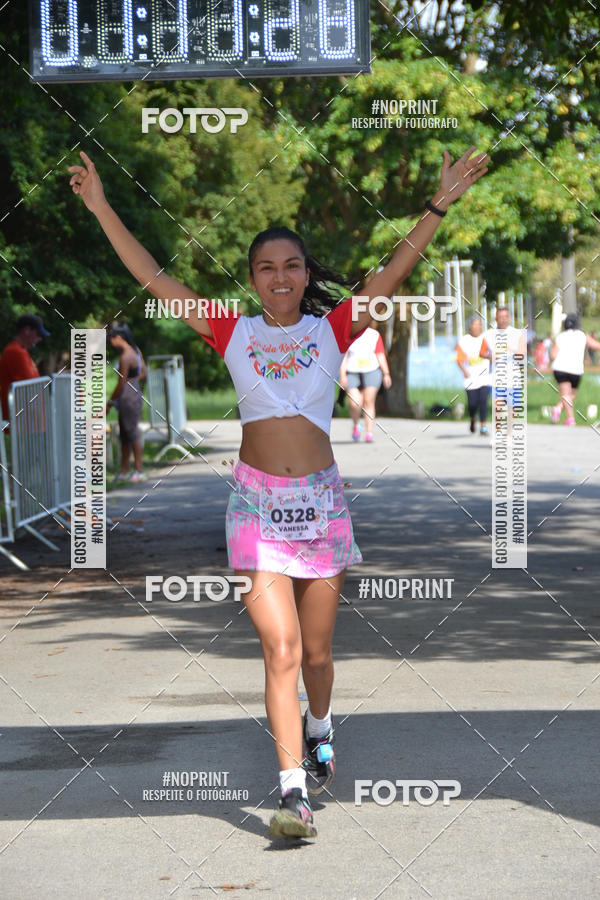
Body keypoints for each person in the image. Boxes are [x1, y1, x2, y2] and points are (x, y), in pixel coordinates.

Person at [68, 145, 489, 839]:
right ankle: (293, 795)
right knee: (282, 650)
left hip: (321, 505)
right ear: (253, 279)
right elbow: (153, 276)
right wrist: (101, 206)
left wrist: (439, 203)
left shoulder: (334, 327)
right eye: (267, 267)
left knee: (317, 655)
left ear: (305, 274)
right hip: (255, 509)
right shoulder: (231, 331)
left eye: (292, 265)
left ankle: (321, 725)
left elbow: (395, 269)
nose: (281, 276)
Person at [106, 322, 147, 481]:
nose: (111, 342)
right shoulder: (136, 352)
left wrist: (109, 402)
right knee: (125, 434)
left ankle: (139, 469)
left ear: (119, 337)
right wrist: (133, 381)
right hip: (134, 394)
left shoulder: (125, 357)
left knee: (132, 433)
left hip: (127, 397)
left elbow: (121, 382)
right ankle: (124, 470)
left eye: (112, 338)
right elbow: (143, 372)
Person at [339, 323, 391, 442]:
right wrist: (342, 375)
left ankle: (369, 432)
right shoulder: (348, 334)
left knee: (368, 401)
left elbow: (380, 355)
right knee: (355, 402)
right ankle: (356, 425)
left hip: (372, 370)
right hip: (352, 371)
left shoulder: (374, 335)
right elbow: (343, 356)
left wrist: (386, 373)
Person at [481, 307, 527, 434]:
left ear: (510, 318)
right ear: (496, 318)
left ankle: (508, 434)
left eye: (506, 317)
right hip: (496, 377)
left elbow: (523, 353)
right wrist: (491, 356)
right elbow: (482, 353)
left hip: (513, 377)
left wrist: (510, 349)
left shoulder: (517, 333)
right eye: (500, 317)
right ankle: (499, 432)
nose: (503, 320)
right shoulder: (488, 334)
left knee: (511, 408)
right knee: (498, 406)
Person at [550, 315, 600, 426]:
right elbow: (596, 346)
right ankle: (570, 419)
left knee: (569, 395)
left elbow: (553, 355)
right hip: (576, 370)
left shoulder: (560, 336)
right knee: (569, 395)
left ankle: (558, 408)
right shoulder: (583, 335)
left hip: (561, 368)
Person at [0, 313, 49, 420]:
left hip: (26, 421)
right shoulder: (15, 351)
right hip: (21, 422)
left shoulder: (21, 351)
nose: (40, 339)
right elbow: (30, 388)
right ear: (27, 330)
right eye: (38, 334)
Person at [455, 315, 489, 435]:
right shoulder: (464, 341)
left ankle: (483, 427)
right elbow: (459, 359)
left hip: (484, 377)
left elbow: (492, 353)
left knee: (483, 400)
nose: (477, 327)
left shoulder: (485, 339)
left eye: (479, 324)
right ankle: (472, 418)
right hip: (470, 377)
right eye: (475, 324)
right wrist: (464, 370)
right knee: (472, 404)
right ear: (470, 326)